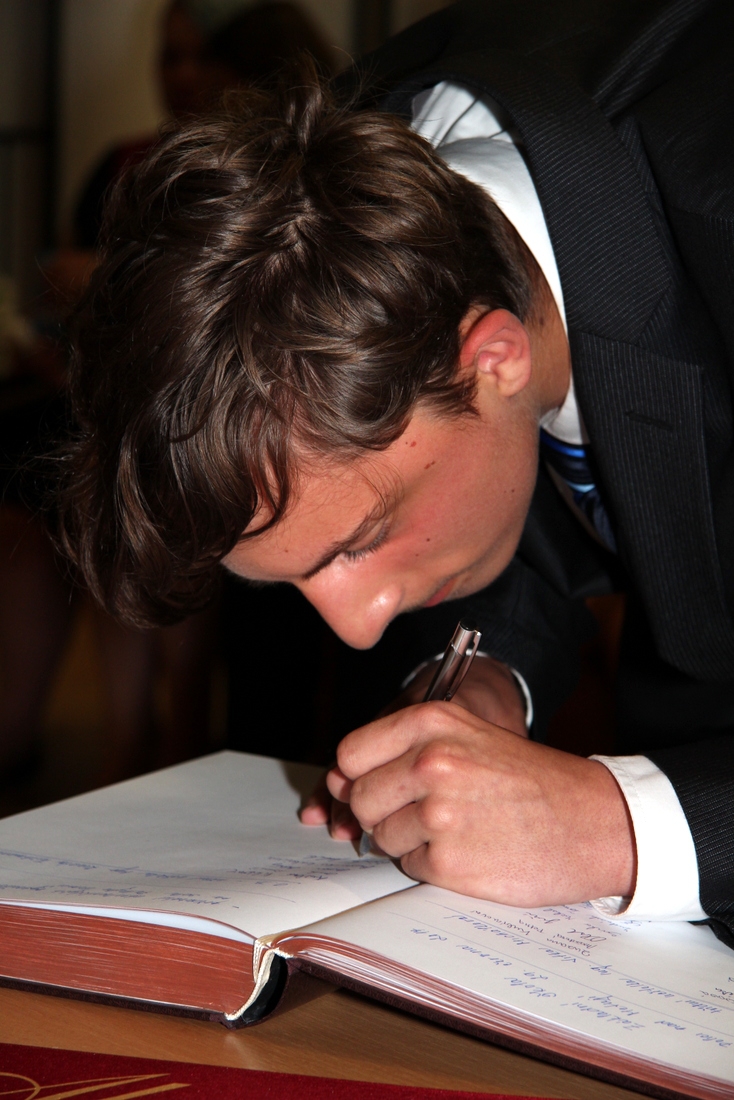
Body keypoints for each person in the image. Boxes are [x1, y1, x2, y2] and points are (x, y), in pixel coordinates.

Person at [56, 0, 734, 946]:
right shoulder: (327, 205)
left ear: (494, 357)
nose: (361, 627)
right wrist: (487, 672)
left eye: (362, 541)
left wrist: (617, 828)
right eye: (295, 578)